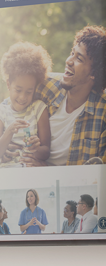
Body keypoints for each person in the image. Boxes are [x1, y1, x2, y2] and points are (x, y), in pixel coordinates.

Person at [29, 25, 106, 166]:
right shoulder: (46, 84)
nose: (69, 61)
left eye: (79, 59)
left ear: (94, 73)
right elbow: (10, 105)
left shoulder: (102, 113)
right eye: (72, 53)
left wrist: (45, 169)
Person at [0, 42, 52, 166]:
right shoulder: (0, 112)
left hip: (30, 175)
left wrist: (36, 148)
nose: (23, 97)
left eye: (29, 91)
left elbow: (46, 153)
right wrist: (9, 132)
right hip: (7, 176)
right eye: (18, 90)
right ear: (8, 84)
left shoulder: (39, 109)